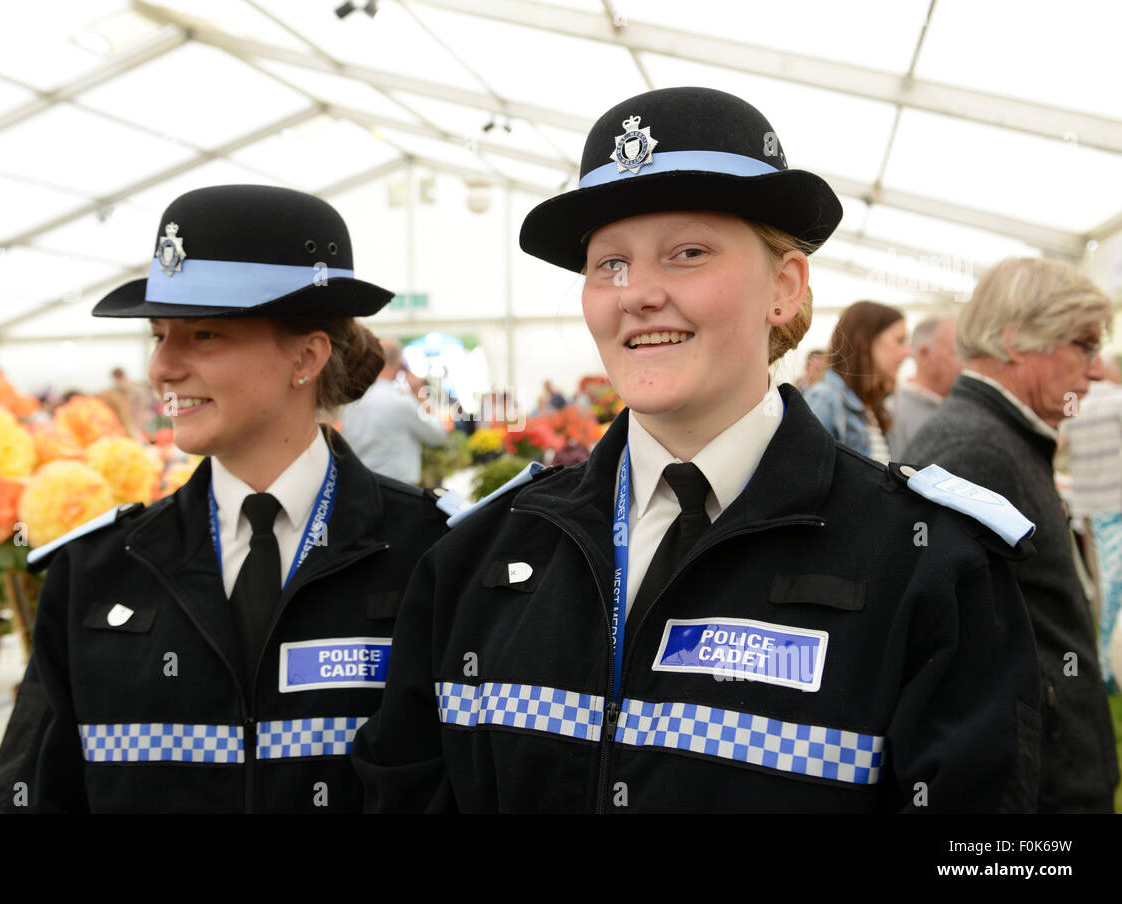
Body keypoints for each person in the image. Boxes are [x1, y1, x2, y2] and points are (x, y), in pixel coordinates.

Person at [353, 87, 1042, 813]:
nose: (637, 294)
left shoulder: (929, 563)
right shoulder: (478, 558)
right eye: (608, 264)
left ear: (784, 287)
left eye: (688, 253)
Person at [0, 185, 448, 813]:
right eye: (159, 334)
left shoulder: (432, 555)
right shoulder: (95, 574)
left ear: (306, 356)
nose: (162, 367)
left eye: (203, 335)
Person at [905, 257, 1120, 812]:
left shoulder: (1003, 437)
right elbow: (955, 668)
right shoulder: (973, 450)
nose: (1096, 371)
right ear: (1017, 339)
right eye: (1085, 345)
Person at [1060, 359, 1122, 693]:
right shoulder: (1118, 398)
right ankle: (1111, 664)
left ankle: (1107, 661)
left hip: (1089, 508)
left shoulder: (1074, 402)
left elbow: (1059, 446)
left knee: (1103, 589)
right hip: (1118, 502)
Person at [804, 301, 911, 463]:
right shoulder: (826, 398)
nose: (908, 352)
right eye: (899, 340)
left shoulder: (870, 405)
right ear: (865, 341)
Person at [339, 339, 449, 485]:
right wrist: (421, 394)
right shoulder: (401, 402)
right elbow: (437, 435)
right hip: (398, 488)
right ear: (401, 365)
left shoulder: (353, 400)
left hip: (361, 483)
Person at [887, 316, 962, 455]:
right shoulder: (893, 413)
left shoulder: (961, 407)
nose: (965, 364)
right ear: (924, 353)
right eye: (956, 353)